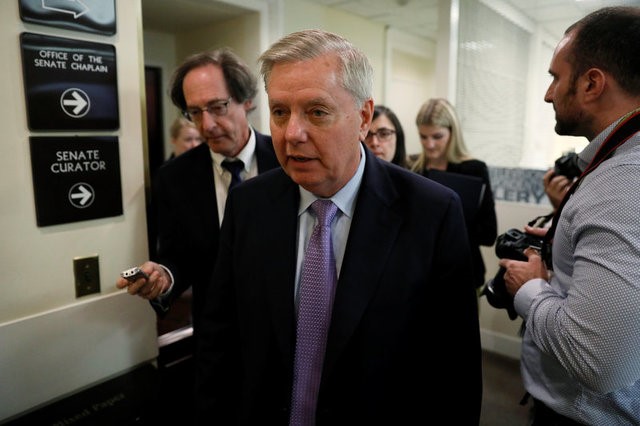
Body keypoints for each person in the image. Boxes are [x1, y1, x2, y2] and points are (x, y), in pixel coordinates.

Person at [195, 29, 482, 425]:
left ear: (363, 117)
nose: (292, 133)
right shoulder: (248, 204)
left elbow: (453, 370)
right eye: (280, 112)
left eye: (316, 111)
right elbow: (219, 336)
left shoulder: (431, 213)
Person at [499, 6, 640, 424]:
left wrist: (529, 289)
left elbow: (598, 361)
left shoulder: (623, 180)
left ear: (592, 83)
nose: (548, 94)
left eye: (555, 78)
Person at [115, 48, 280, 337]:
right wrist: (163, 276)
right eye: (194, 112)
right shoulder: (174, 177)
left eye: (218, 107)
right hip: (216, 335)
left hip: (285, 326)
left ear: (248, 101)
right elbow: (177, 257)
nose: (207, 125)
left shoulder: (287, 162)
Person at [409, 98, 497, 290]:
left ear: (453, 133)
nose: (429, 144)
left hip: (463, 274)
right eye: (423, 137)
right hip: (419, 275)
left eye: (437, 136)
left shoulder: (474, 169)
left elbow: (489, 233)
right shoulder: (413, 168)